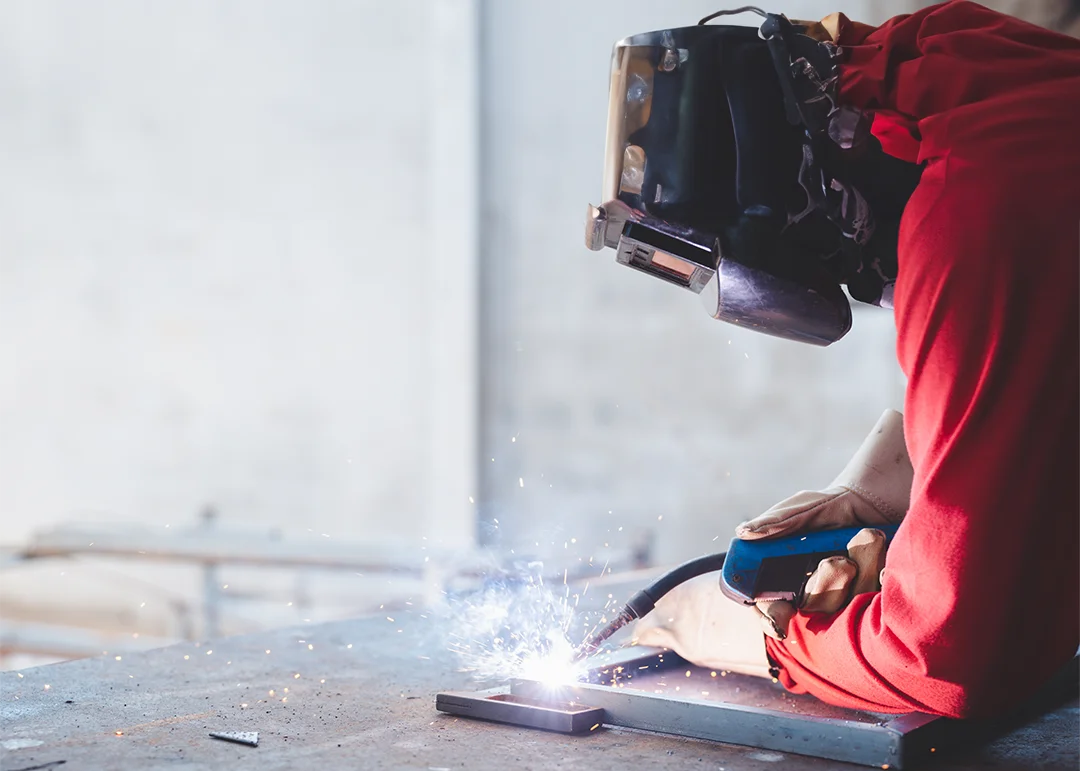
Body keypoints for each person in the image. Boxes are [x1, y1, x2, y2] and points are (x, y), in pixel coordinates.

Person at [627, 1, 1080, 719]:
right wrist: (908, 465)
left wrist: (765, 642)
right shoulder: (1005, 92)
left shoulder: (979, 204)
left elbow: (954, 657)